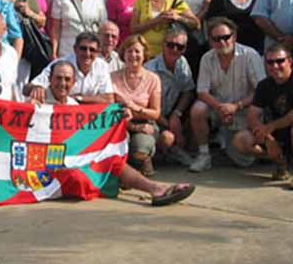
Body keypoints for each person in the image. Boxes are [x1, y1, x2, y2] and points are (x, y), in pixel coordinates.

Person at [42, 59, 195, 207]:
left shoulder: (76, 107)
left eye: (67, 79)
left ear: (74, 83)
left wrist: (119, 117)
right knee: (78, 176)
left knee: (111, 159)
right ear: (50, 79)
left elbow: (93, 132)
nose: (62, 83)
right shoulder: (37, 105)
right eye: (58, 78)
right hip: (46, 161)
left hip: (73, 157)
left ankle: (156, 189)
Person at [231, 44, 293, 191]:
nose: (275, 66)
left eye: (280, 61)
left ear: (289, 62)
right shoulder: (264, 85)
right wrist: (268, 139)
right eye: (270, 62)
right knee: (240, 140)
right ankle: (281, 162)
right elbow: (252, 116)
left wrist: (270, 127)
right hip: (278, 137)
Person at [189, 17, 265, 172]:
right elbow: (202, 91)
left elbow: (262, 91)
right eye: (216, 39)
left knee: (244, 160)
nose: (222, 42)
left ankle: (272, 155)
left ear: (234, 36)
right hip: (219, 110)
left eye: (226, 37)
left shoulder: (250, 55)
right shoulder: (207, 58)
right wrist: (221, 108)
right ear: (210, 40)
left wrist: (236, 106)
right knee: (198, 109)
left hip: (245, 110)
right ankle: (204, 154)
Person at [110, 35, 162, 176]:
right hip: (119, 123)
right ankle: (125, 171)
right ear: (123, 54)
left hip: (145, 122)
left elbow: (156, 113)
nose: (133, 55)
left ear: (144, 54)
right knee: (120, 143)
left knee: (140, 148)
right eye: (129, 51)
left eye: (137, 51)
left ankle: (142, 161)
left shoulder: (153, 79)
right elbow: (108, 107)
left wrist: (134, 107)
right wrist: (131, 125)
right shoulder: (112, 77)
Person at [145, 25, 195, 166]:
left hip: (170, 113)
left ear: (185, 49)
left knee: (198, 115)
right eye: (170, 45)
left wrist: (177, 114)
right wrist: (169, 125)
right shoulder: (150, 69)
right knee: (168, 137)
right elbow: (145, 105)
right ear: (163, 45)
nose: (174, 49)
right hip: (151, 118)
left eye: (180, 46)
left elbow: (188, 90)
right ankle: (160, 154)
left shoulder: (182, 63)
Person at [25, 32, 114, 105]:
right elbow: (26, 89)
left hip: (84, 116)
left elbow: (108, 99)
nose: (87, 53)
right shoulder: (59, 64)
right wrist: (36, 88)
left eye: (92, 50)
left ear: (98, 52)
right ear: (75, 49)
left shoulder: (102, 66)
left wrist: (77, 99)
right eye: (83, 48)